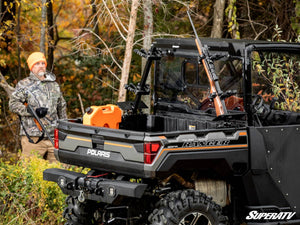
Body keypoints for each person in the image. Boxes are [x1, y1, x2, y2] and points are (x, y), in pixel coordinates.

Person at [9, 52, 67, 163]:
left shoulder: (54, 85)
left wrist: (63, 129)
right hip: (32, 137)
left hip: (53, 137)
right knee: (30, 172)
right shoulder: (24, 84)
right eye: (36, 64)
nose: (40, 66)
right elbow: (13, 104)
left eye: (42, 63)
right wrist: (32, 112)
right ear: (31, 67)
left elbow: (62, 107)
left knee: (57, 172)